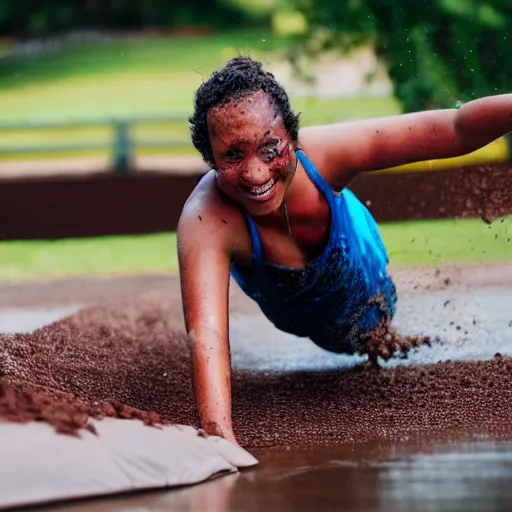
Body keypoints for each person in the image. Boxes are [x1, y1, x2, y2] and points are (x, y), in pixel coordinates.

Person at [178, 55, 512, 445]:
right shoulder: (206, 220)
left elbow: (455, 128)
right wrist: (220, 439)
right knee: (347, 332)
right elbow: (208, 332)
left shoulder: (326, 153)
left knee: (375, 328)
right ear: (211, 159)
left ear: (292, 135)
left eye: (270, 148)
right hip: (311, 320)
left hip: (365, 272)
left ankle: (383, 335)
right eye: (232, 156)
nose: (255, 173)